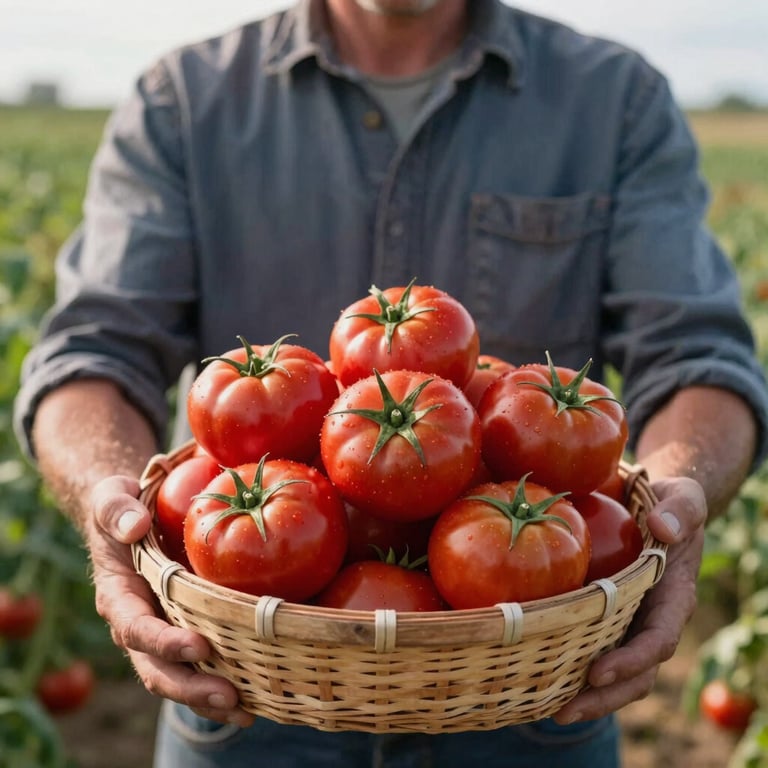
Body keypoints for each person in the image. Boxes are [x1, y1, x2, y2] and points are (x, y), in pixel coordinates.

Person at [13, 0, 768, 766]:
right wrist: (109, 499)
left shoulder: (615, 99)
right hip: (245, 684)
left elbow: (696, 355)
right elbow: (93, 353)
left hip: (537, 688)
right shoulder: (184, 99)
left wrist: (677, 494)